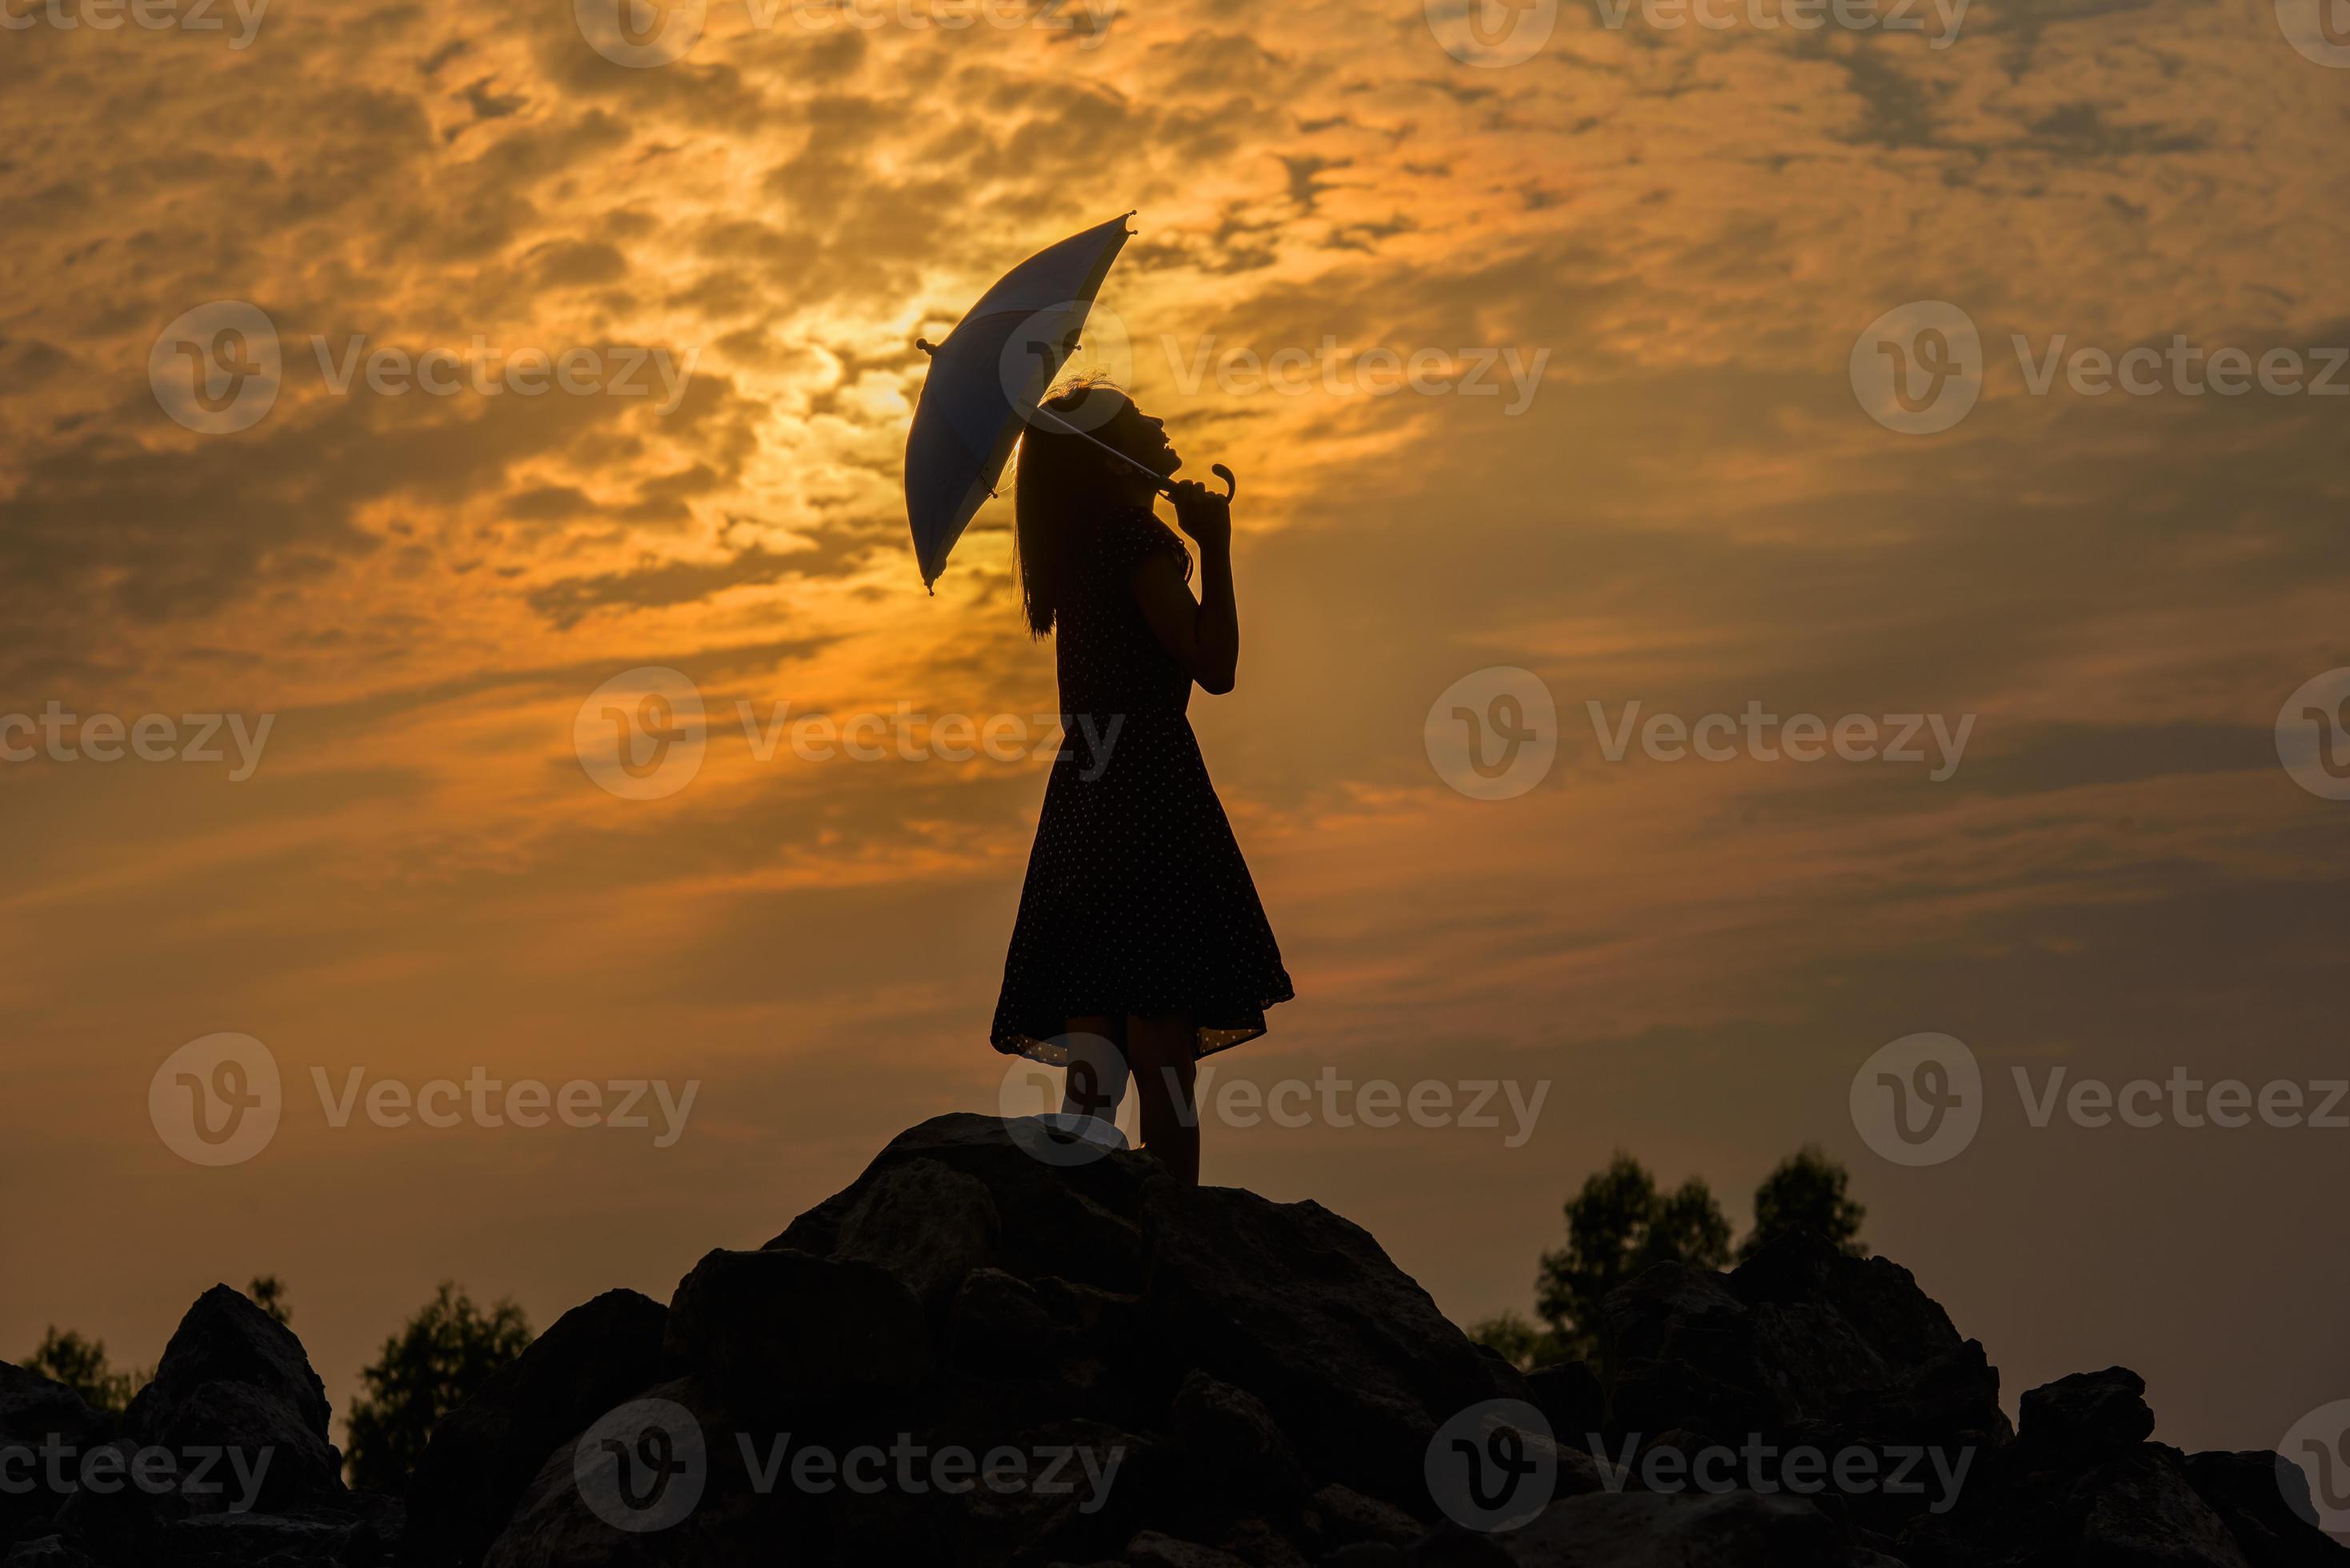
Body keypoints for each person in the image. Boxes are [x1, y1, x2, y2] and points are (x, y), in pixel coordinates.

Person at [991, 380, 1293, 1186]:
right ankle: (1177, 1237)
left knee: (1095, 1056)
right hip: (1148, 789)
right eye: (1138, 417)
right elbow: (1214, 664)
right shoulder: (1132, 538)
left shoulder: (1080, 545)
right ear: (1109, 452)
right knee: (1164, 1045)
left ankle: (1085, 1232)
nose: (1158, 422)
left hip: (1087, 791)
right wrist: (1218, 544)